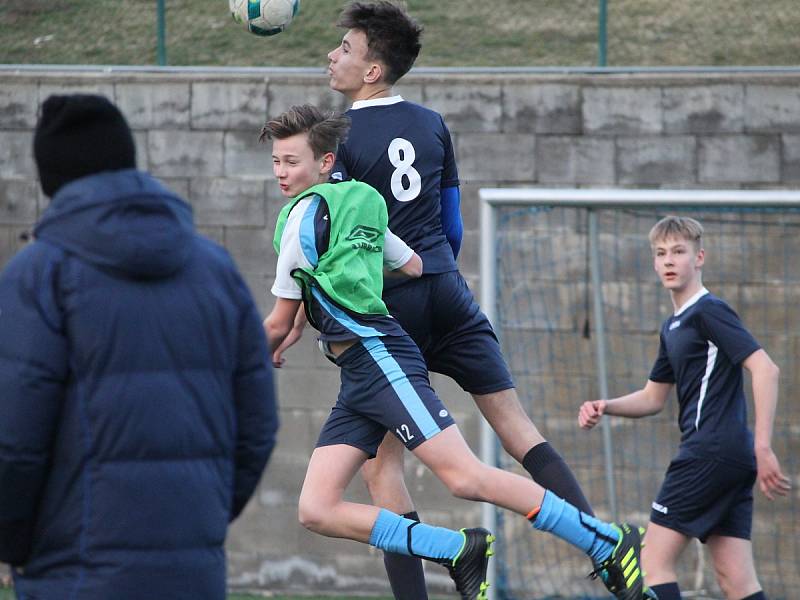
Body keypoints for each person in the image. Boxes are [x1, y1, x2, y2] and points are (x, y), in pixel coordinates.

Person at [261, 103, 651, 600]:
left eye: (291, 161)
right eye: (275, 161)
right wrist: (349, 274)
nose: (280, 172)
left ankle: (607, 540)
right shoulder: (363, 201)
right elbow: (414, 265)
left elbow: (277, 321)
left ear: (325, 162)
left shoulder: (297, 221)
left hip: (380, 358)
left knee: (464, 477)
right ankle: (453, 548)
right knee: (316, 508)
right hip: (359, 372)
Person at [323, 3, 596, 597]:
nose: (333, 55)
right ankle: (604, 546)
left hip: (390, 307)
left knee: (382, 467)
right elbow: (453, 226)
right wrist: (438, 273)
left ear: (372, 69)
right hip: (449, 288)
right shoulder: (433, 122)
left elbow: (347, 240)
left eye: (345, 47)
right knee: (515, 427)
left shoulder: (338, 138)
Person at [0, 94, 279, 599]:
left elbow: (14, 439)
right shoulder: (217, 270)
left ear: (51, 179)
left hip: (73, 573)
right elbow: (257, 428)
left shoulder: (39, 275)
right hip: (193, 573)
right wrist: (202, 520)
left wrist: (13, 543)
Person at [578, 216, 791, 600]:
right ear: (654, 262)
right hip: (728, 458)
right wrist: (604, 405)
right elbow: (653, 397)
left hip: (709, 453)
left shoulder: (708, 311)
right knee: (735, 579)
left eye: (678, 251)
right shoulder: (672, 325)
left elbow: (765, 368)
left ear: (699, 257)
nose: (669, 261)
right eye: (661, 254)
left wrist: (763, 445)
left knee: (651, 563)